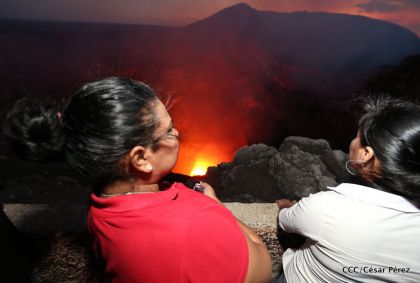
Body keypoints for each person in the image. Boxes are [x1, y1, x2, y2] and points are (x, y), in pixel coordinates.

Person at [4, 77, 272, 283]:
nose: (177, 132)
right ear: (141, 159)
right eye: (167, 130)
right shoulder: (194, 223)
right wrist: (217, 208)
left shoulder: (102, 200)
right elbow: (264, 268)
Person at [276, 96, 420, 282]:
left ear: (365, 154)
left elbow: (285, 221)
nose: (352, 141)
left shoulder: (326, 208)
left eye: (357, 137)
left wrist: (284, 207)